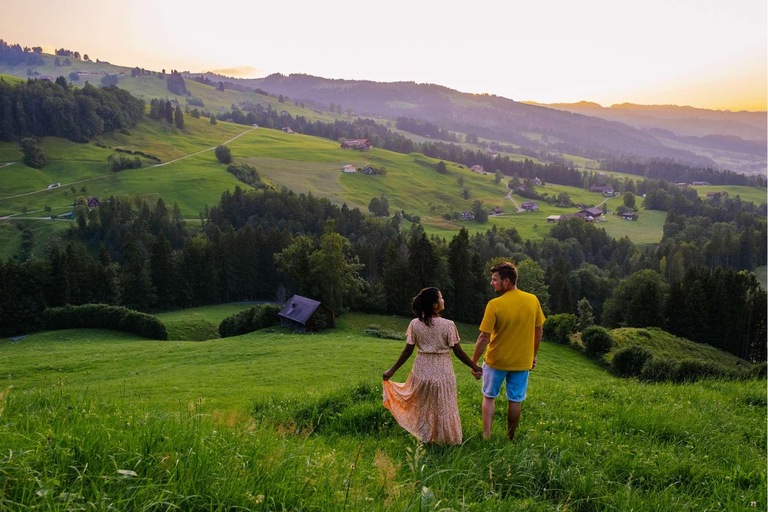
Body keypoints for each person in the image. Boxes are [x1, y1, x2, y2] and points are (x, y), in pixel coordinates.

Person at [383, 287, 482, 445]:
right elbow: (459, 352)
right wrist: (475, 367)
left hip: (421, 371)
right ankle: (446, 440)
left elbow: (408, 351)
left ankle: (426, 438)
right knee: (444, 407)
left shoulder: (415, 324)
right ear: (435, 305)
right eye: (441, 298)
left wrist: (392, 370)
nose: (444, 300)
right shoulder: (448, 325)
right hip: (442, 372)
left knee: (425, 407)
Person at [472, 261, 545, 441]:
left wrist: (473, 362)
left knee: (489, 396)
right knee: (515, 399)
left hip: (496, 360)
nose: (492, 283)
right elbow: (539, 330)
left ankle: (486, 436)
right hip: (522, 362)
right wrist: (533, 355)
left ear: (506, 281)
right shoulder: (532, 300)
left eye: (494, 280)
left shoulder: (494, 304)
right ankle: (510, 437)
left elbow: (483, 337)